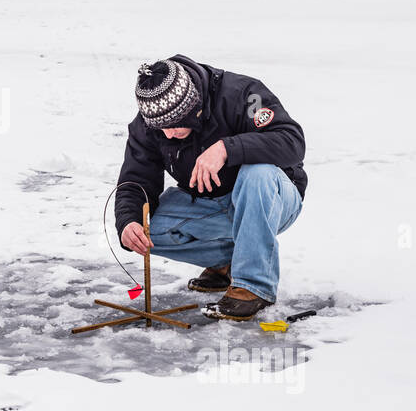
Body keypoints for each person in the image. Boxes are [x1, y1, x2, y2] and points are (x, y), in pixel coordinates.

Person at [115, 55, 307, 321]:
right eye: (161, 128)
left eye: (174, 125)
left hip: (272, 198)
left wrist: (227, 149)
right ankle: (228, 263)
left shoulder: (242, 95)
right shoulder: (151, 122)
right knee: (148, 232)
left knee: (257, 173)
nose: (168, 134)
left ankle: (254, 285)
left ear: (192, 105)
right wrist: (128, 222)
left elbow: (292, 142)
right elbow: (135, 181)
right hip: (210, 206)